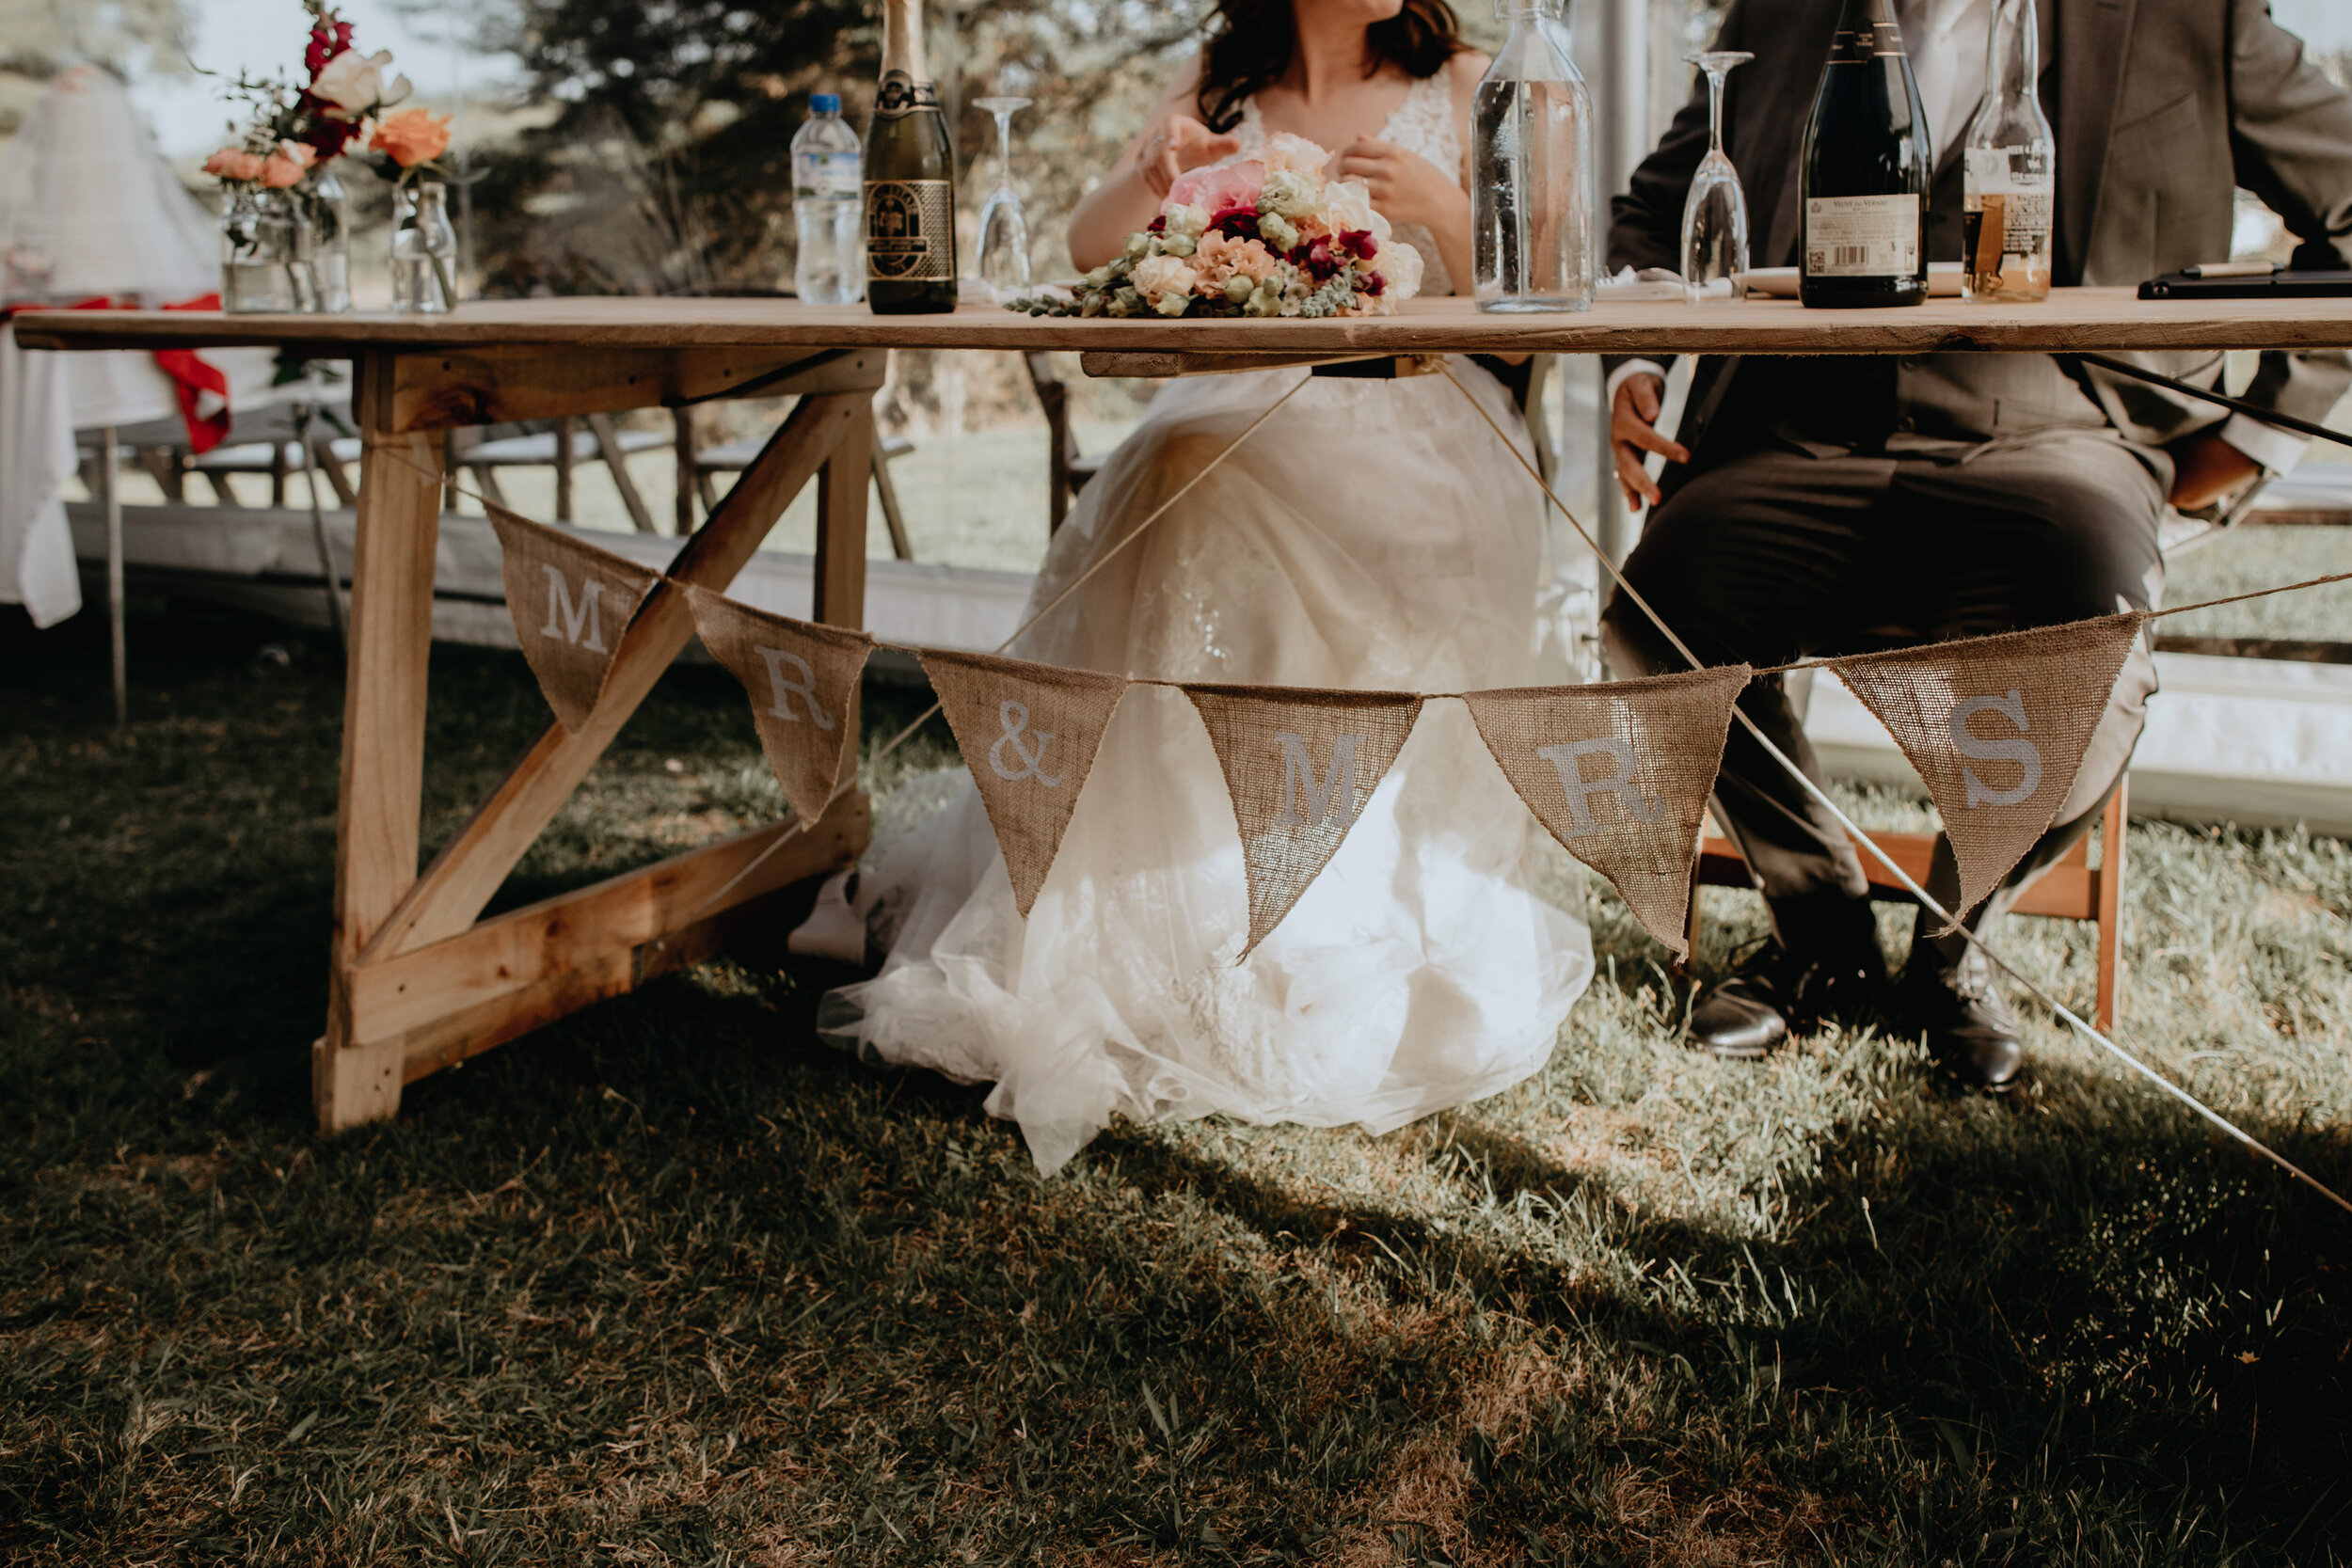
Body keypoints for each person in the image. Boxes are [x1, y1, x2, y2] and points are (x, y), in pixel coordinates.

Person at [820, 0, 1596, 1173]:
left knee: (1197, 474)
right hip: (1226, 404)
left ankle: (1299, 922)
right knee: (1175, 466)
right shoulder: (1219, 81)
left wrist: (1441, 212)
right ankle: (1120, 932)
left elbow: (1556, 295)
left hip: (1423, 412)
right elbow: (1092, 247)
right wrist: (1154, 175)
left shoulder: (1483, 83)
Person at [1603, 0, 2352, 1087]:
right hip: (1797, 437)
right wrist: (1636, 364)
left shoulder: (2197, 16)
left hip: (2060, 439)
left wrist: (2247, 441)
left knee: (2095, 643)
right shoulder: (1777, 10)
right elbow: (1651, 213)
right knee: (1652, 617)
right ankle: (1821, 930)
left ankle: (1954, 948)